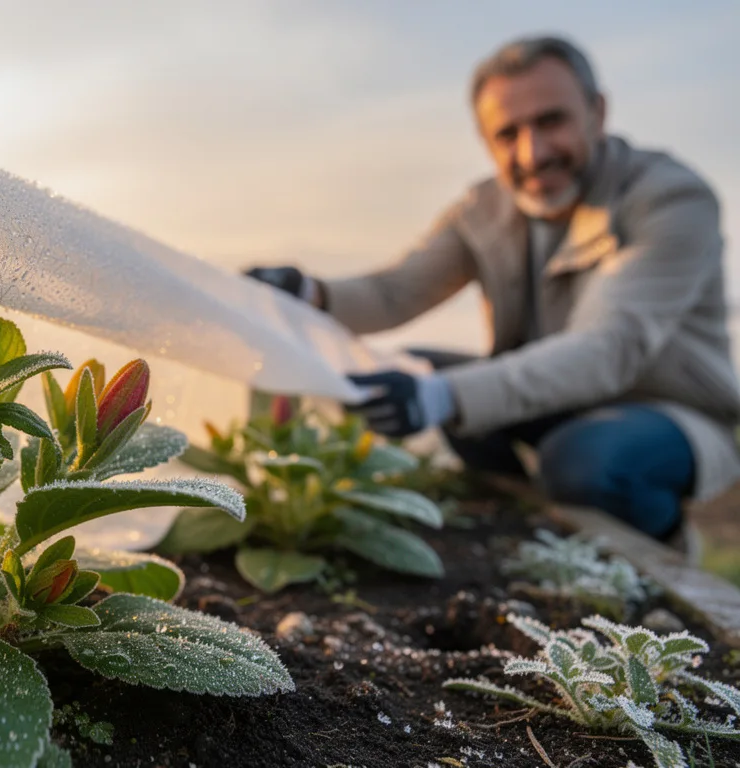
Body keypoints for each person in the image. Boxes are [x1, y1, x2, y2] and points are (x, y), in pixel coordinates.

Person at [245, 35, 740, 545]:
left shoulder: (670, 200)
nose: (533, 153)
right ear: (486, 142)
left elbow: (610, 347)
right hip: (554, 400)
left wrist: (442, 397)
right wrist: (308, 293)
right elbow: (395, 292)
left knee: (582, 461)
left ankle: (670, 547)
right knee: (407, 369)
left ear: (598, 111)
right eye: (508, 133)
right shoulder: (483, 211)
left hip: (669, 413)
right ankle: (526, 535)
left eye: (552, 121)